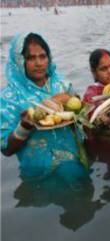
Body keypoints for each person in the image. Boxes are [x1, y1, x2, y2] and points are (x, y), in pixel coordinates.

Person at [0, 32, 88, 183]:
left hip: (76, 162)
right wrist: (24, 126)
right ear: (19, 61)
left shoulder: (61, 85)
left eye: (43, 56)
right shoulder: (9, 98)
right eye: (30, 58)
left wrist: (79, 106)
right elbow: (6, 149)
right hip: (39, 174)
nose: (39, 63)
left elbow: (81, 113)